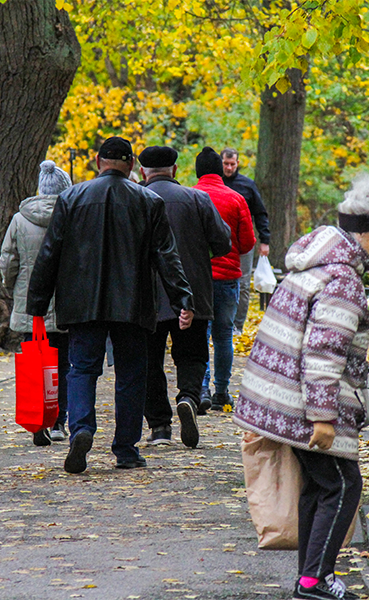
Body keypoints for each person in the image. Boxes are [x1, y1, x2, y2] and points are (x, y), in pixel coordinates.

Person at [234, 174, 369, 600]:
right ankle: (315, 581)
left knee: (318, 486)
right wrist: (323, 418)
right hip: (304, 404)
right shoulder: (342, 279)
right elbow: (323, 352)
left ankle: (309, 578)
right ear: (364, 232)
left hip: (282, 398)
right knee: (343, 486)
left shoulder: (318, 263)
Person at [27, 136, 195, 474]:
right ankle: (126, 449)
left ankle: (83, 429)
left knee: (82, 369)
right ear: (131, 164)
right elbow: (167, 255)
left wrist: (37, 303)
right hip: (133, 302)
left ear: (97, 161)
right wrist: (182, 298)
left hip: (82, 301)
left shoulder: (71, 197)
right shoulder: (148, 200)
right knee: (131, 374)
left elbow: (50, 253)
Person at [139, 145, 232, 447]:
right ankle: (190, 397)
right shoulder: (197, 198)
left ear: (143, 172)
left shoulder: (136, 199)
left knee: (149, 361)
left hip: (147, 297)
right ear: (175, 170)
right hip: (193, 293)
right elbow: (222, 242)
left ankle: (159, 428)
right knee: (191, 354)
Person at [0, 160, 72, 445]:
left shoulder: (20, 219)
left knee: (36, 363)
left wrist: (12, 287)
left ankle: (37, 419)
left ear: (41, 188)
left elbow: (8, 261)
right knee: (64, 365)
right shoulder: (71, 216)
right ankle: (59, 423)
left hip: (31, 303)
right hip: (65, 303)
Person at [193, 147, 255, 412]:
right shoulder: (237, 199)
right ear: (221, 170)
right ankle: (222, 392)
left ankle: (202, 388)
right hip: (228, 277)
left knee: (200, 335)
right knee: (223, 335)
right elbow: (247, 243)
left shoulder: (191, 197)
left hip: (197, 279)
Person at [221, 148, 271, 335]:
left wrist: (264, 240)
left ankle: (237, 325)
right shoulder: (215, 184)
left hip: (243, 242)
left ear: (237, 163)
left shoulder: (247, 185)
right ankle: (220, 323)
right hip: (220, 241)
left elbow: (260, 214)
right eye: (226, 164)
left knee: (242, 284)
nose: (229, 167)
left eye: (232, 164)